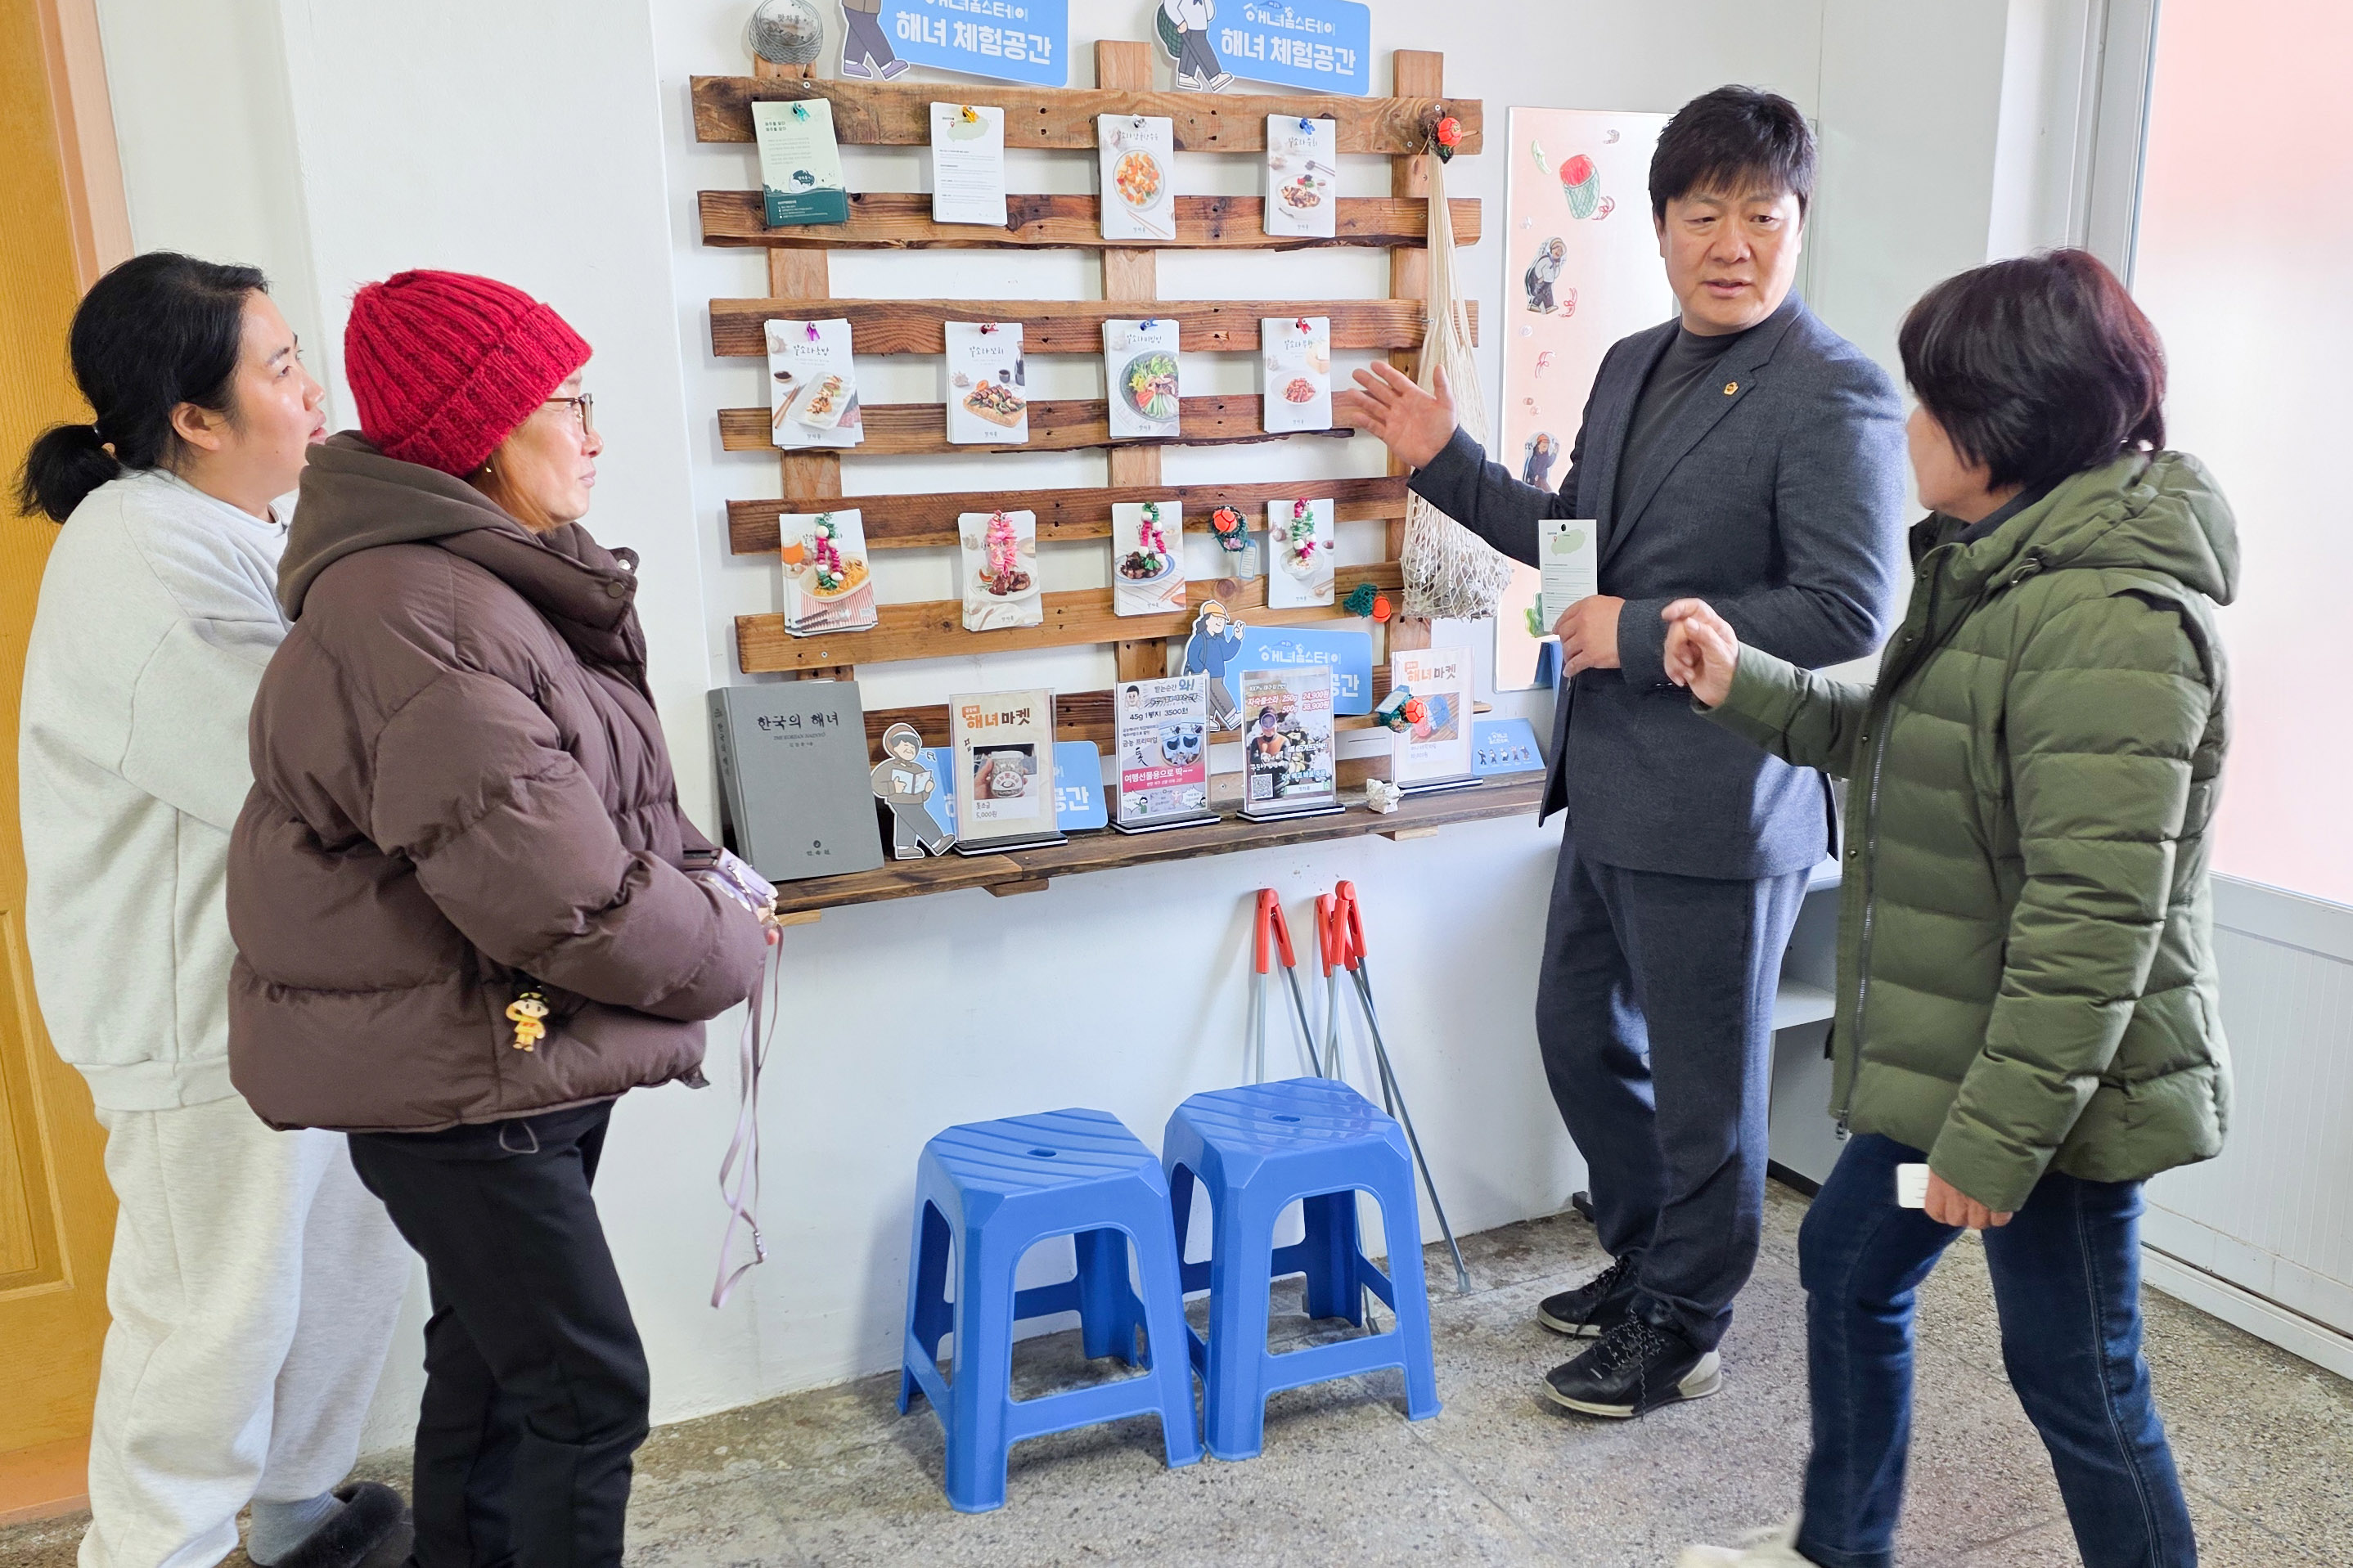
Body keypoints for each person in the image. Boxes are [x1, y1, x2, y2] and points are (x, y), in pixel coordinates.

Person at [1339, 86, 1906, 1418]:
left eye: (1761, 216)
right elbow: (1574, 552)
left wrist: (1642, 632)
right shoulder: (1632, 361)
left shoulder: (1833, 390)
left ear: (1799, 223)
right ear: (1659, 227)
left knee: (1709, 1092)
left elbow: (1846, 609)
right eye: (1704, 214)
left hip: (1724, 798)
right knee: (1579, 1031)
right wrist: (1445, 460)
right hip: (1606, 784)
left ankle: (1684, 1321)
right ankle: (1651, 1253)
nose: (1733, 244)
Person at [1670, 250, 2229, 1568]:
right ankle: (1839, 1548)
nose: (1910, 426)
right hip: (1961, 1073)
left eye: (1930, 401)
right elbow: (1901, 744)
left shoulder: (2113, 621)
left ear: (2004, 425)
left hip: (2047, 1115)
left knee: (2079, 1377)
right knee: (1851, 1263)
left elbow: (2092, 930)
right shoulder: (2003, 573)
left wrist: (1991, 1144)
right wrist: (1744, 682)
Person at [223, 270, 772, 1568]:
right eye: (566, 402)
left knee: (493, 1368)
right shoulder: (419, 614)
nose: (594, 433)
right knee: (587, 1393)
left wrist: (714, 877)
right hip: (473, 1072)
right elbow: (560, 896)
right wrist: (726, 945)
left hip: (502, 1052)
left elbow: (608, 804)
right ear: (481, 430)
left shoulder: (489, 583)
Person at [16, 253, 414, 1568]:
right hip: (192, 1014)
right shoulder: (138, 551)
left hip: (297, 993)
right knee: (212, 1317)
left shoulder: (241, 526)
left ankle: (299, 1518)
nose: (313, 390)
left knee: (341, 1270)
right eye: (281, 367)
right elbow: (290, 762)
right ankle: (154, 1551)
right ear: (193, 417)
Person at [837, 0, 910, 81]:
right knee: (865, 23)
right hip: (861, 6)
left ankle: (853, 62)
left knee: (860, 24)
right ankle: (887, 64)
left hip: (863, 7)